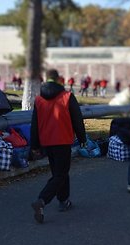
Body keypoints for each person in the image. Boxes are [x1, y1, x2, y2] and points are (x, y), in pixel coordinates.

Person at [30, 69, 87, 223]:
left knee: (59, 173)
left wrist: (34, 145)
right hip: (63, 140)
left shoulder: (39, 100)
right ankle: (42, 200)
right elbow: (77, 119)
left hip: (47, 141)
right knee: (61, 174)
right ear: (59, 79)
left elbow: (34, 125)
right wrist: (82, 138)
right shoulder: (67, 97)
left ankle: (63, 200)